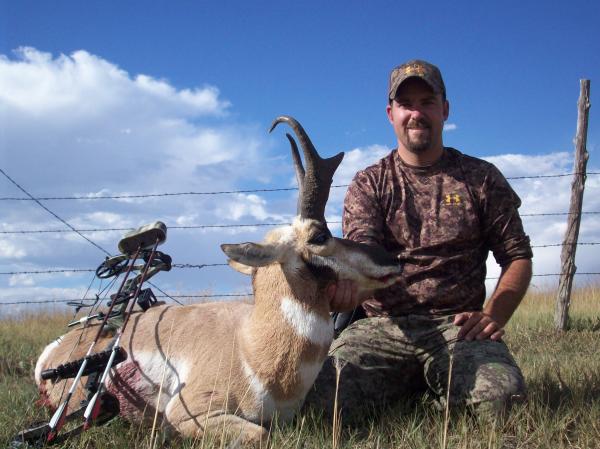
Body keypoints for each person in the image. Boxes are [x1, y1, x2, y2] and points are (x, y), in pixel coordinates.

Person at [304, 59, 533, 422]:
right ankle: (421, 391)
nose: (416, 113)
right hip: (382, 328)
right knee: (318, 406)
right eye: (406, 104)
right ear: (390, 113)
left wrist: (493, 316)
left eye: (427, 102)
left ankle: (429, 391)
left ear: (444, 110)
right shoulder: (370, 183)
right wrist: (348, 290)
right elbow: (365, 259)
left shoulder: (481, 178)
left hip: (458, 328)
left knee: (503, 403)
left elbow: (517, 256)